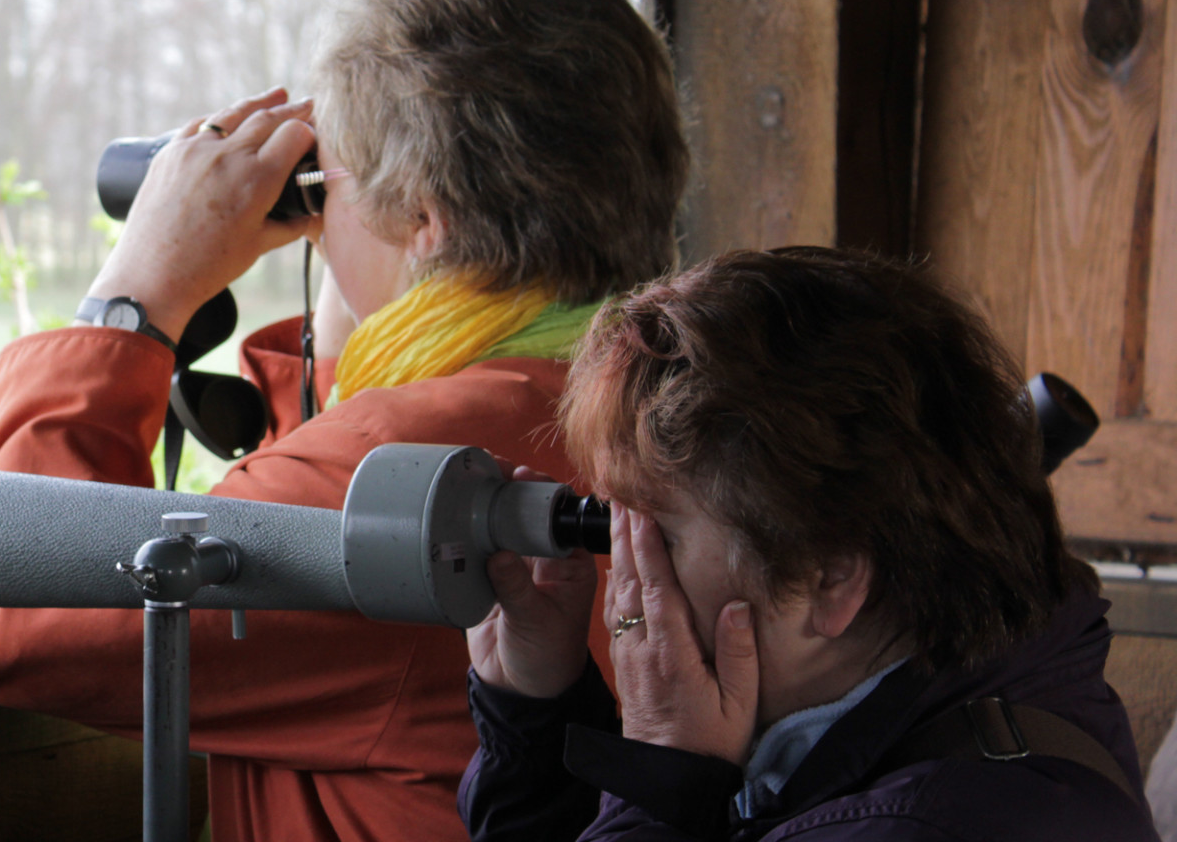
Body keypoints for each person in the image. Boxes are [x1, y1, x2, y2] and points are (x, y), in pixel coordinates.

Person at [0, 0, 687, 842]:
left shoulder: (394, 478)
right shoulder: (681, 399)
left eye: (321, 182)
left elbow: (5, 609)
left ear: (422, 217)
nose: (314, 217)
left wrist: (134, 298)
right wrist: (355, 319)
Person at [462, 246, 1158, 841]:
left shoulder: (921, 825)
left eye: (657, 538)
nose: (625, 585)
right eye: (614, 526)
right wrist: (537, 705)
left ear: (829, 578)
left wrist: (664, 787)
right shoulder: (958, 680)